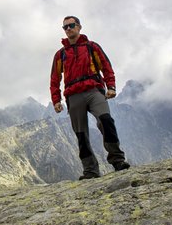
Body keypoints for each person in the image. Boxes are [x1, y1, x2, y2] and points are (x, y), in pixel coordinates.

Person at [50, 15, 130, 179]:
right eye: (65, 27)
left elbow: (106, 67)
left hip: (94, 90)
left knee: (106, 121)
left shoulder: (92, 47)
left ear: (79, 27)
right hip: (73, 96)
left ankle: (118, 161)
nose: (68, 29)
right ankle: (91, 171)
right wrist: (56, 100)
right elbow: (54, 79)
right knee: (81, 134)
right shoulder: (60, 55)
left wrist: (111, 86)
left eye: (71, 25)